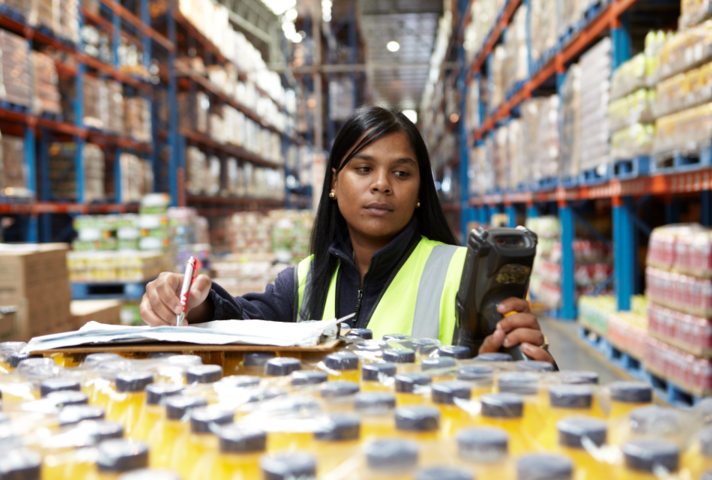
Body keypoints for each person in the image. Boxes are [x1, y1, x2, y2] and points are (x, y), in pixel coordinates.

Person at [140, 106, 553, 363]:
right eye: (363, 168)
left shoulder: (462, 271)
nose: (381, 185)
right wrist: (193, 305)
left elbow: (517, 382)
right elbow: (243, 325)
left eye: (401, 173)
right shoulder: (302, 282)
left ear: (419, 193)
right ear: (335, 183)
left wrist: (530, 356)